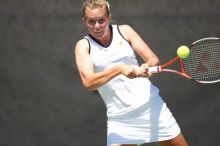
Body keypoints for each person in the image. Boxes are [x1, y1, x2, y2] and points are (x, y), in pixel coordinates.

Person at [74, 0, 188, 146]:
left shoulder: (125, 31)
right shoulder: (83, 46)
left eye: (101, 20)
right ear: (84, 21)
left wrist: (147, 68)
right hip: (120, 119)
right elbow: (89, 82)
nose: (97, 26)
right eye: (91, 21)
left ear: (109, 17)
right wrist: (119, 69)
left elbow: (153, 59)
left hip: (151, 107)